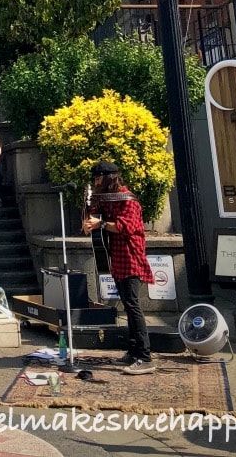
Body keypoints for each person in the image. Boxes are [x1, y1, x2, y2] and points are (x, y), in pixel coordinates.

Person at [81, 160, 155, 375]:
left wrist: (101, 224)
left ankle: (145, 356)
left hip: (131, 255)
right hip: (117, 256)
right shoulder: (109, 198)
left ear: (107, 177)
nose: (95, 182)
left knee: (133, 306)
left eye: (97, 178)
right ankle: (133, 352)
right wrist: (88, 207)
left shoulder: (127, 200)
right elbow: (95, 212)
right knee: (127, 305)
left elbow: (127, 227)